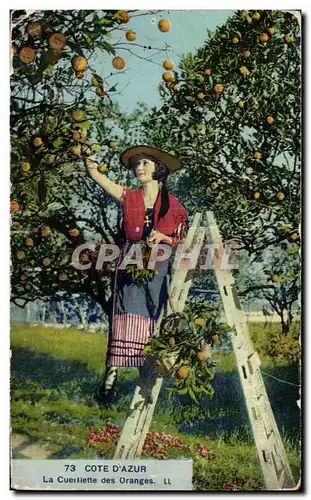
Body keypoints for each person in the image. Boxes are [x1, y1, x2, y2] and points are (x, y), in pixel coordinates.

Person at [84, 145, 188, 402]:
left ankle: (147, 376)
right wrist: (89, 164)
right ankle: (113, 372)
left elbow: (182, 238)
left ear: (157, 169)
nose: (139, 168)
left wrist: (164, 237)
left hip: (158, 264)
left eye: (145, 164)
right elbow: (101, 180)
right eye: (137, 164)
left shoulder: (174, 205)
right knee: (127, 310)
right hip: (130, 262)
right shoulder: (130, 197)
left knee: (154, 313)